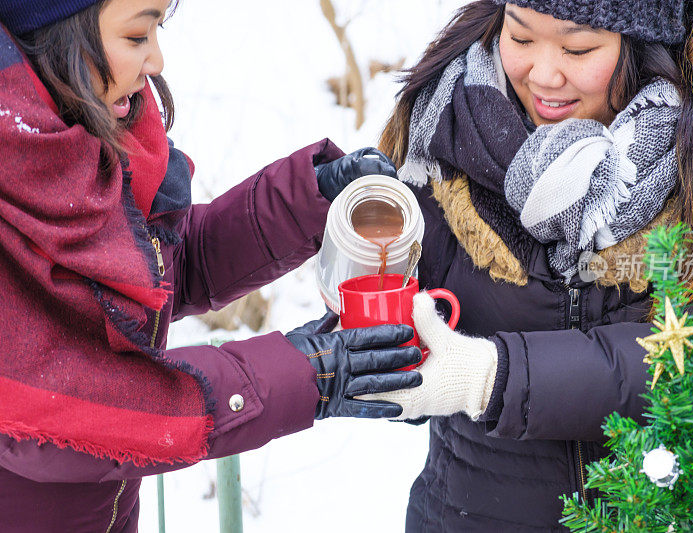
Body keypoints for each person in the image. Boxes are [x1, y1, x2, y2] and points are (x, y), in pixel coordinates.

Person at [363, 0, 693, 530]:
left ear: (647, 49)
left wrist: (490, 378)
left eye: (578, 48)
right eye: (521, 39)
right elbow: (409, 325)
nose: (544, 74)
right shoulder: (445, 130)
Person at [0, 0, 421, 531]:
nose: (156, 61)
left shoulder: (73, 145)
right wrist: (300, 373)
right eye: (137, 36)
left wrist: (306, 200)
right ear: (56, 35)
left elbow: (157, 273)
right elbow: (65, 410)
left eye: (157, 29)